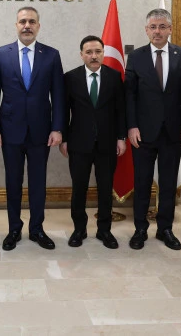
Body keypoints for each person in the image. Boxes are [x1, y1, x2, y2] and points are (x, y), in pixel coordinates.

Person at [0, 6, 65, 251]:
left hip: (41, 131)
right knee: (13, 182)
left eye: (31, 21)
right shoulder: (0, 55)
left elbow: (58, 94)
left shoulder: (51, 55)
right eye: (22, 21)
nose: (27, 26)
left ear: (38, 26)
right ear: (16, 25)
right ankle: (14, 229)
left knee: (38, 182)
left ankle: (37, 229)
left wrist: (57, 128)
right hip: (10, 130)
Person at [125, 8, 181, 251]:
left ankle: (165, 228)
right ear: (146, 30)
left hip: (173, 132)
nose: (157, 31)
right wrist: (131, 126)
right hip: (142, 133)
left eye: (162, 26)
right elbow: (129, 95)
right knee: (142, 182)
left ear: (170, 29)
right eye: (153, 27)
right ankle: (140, 229)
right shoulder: (136, 57)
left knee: (168, 184)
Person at [60, 36, 126, 249]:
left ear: (103, 53)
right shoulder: (70, 78)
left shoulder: (114, 77)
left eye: (98, 51)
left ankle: (104, 230)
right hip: (79, 144)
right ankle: (79, 229)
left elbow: (121, 110)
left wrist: (121, 138)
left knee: (105, 188)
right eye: (89, 52)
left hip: (107, 143)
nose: (94, 56)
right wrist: (64, 139)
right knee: (79, 188)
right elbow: (63, 111)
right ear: (81, 55)